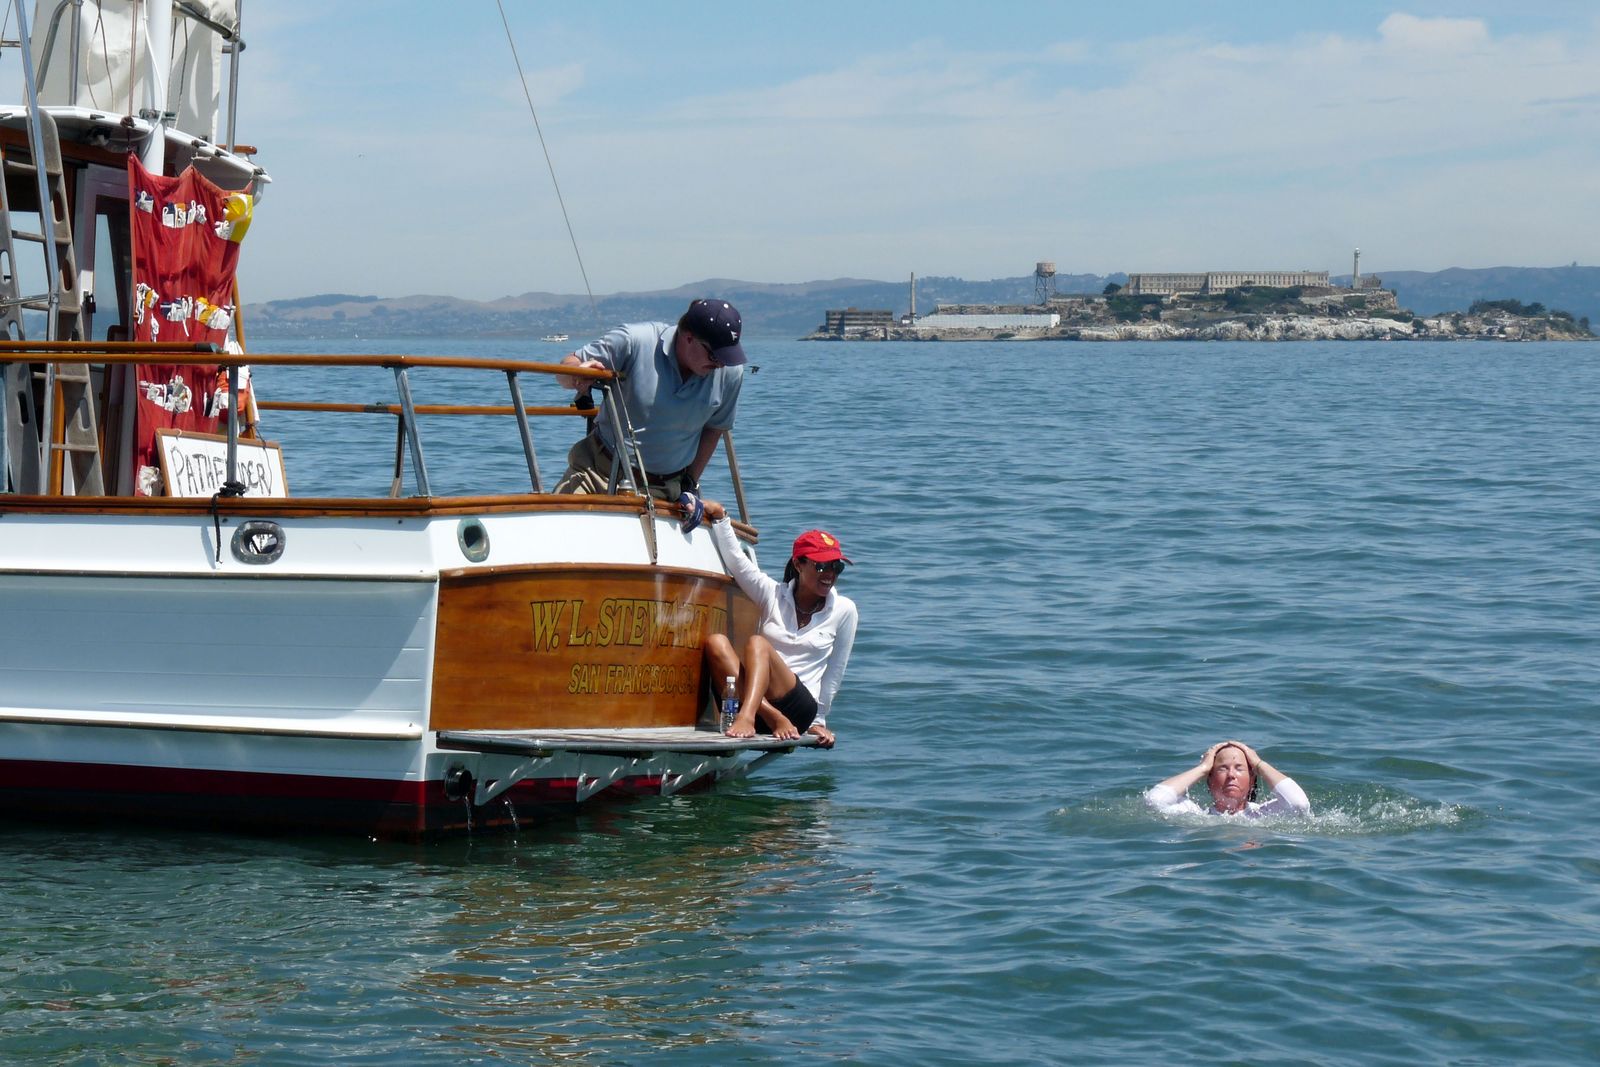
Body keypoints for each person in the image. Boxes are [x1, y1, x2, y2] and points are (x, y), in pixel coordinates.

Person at [552, 298, 746, 503]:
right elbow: (564, 370)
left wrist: (689, 485)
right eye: (715, 356)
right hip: (595, 473)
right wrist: (577, 374)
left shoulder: (731, 373)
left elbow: (715, 429)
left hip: (667, 490)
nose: (721, 365)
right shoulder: (633, 341)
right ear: (689, 337)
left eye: (728, 357)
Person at [700, 498, 858, 748]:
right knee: (716, 642)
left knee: (758, 644)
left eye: (836, 567)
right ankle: (767, 716)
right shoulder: (772, 594)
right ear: (798, 564)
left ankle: (748, 716)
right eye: (822, 566)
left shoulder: (844, 610)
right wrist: (720, 517)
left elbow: (834, 673)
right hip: (757, 705)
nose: (830, 574)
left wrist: (818, 721)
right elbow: (737, 562)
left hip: (798, 709)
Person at [1145, 740, 1310, 817]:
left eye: (1239, 768)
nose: (1231, 775)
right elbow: (1155, 801)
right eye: (1222, 768)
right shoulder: (1197, 815)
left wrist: (1259, 764)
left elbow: (1299, 805)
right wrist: (1203, 768)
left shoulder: (1262, 814)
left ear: (1252, 780)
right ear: (1210, 780)